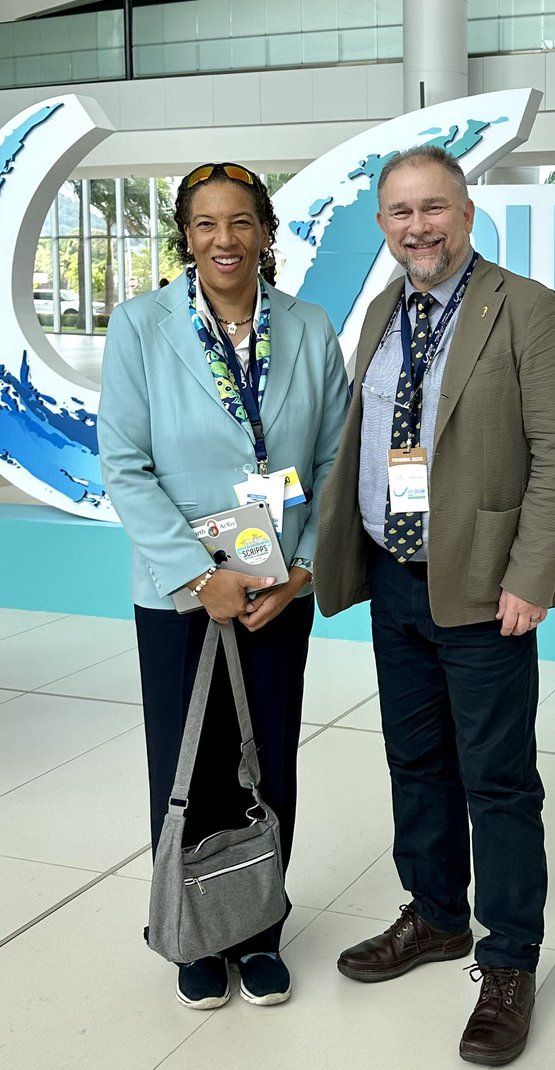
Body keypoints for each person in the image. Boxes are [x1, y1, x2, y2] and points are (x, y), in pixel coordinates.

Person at [314, 144, 555, 1066]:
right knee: (415, 758)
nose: (418, 227)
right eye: (400, 212)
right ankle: (435, 914)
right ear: (382, 225)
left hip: (479, 585)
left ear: (467, 214)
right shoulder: (384, 311)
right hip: (397, 579)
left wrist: (530, 574)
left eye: (434, 208)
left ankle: (509, 958)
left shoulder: (527, 309)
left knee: (498, 778)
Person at [98, 162, 349, 1011]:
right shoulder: (140, 327)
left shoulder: (309, 327)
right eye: (205, 224)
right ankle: (195, 936)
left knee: (266, 758)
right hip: (182, 593)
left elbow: (335, 461)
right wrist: (200, 576)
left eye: (240, 222)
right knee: (186, 763)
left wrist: (305, 567)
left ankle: (260, 929)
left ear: (266, 234)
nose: (223, 240)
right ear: (186, 237)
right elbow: (125, 469)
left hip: (278, 586)